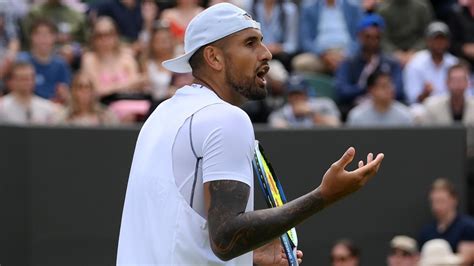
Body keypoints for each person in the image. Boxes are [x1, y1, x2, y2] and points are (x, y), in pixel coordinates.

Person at [117, 3, 384, 265]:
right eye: (249, 43)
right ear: (214, 57)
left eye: (261, 42)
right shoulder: (225, 118)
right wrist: (323, 196)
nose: (266, 53)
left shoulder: (161, 116)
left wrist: (247, 258)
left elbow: (179, 230)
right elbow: (225, 238)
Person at [335, 14, 404, 117]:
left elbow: (398, 91)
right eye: (368, 36)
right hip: (354, 108)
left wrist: (379, 94)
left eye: (377, 37)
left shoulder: (392, 63)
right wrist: (367, 88)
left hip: (386, 107)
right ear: (360, 36)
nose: (372, 40)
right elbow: (342, 91)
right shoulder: (348, 62)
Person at [296, 0, 363, 74]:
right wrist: (323, 54)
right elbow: (305, 40)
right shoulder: (309, 8)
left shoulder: (353, 7)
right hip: (320, 54)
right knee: (300, 63)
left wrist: (346, 55)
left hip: (346, 53)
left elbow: (360, 37)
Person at [17, 18, 72, 104]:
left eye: (47, 34)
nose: (43, 39)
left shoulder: (61, 64)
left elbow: (64, 92)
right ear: (31, 37)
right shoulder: (21, 60)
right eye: (38, 34)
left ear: (54, 37)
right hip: (25, 104)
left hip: (53, 107)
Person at [403, 21, 458, 105]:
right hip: (425, 108)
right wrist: (425, 94)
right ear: (428, 41)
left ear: (448, 42)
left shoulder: (455, 63)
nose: (439, 43)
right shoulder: (415, 62)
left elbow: (467, 94)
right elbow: (412, 99)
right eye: (436, 39)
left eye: (442, 39)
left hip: (451, 109)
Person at [419, 178, 474, 257]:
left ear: (454, 200)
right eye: (434, 201)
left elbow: (466, 259)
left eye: (441, 201)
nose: (437, 206)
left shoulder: (468, 227)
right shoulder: (426, 231)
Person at [269, 75, 341, 128]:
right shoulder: (281, 112)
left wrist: (311, 113)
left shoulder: (324, 104)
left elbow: (335, 124)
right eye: (292, 94)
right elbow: (278, 131)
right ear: (287, 95)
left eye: (299, 93)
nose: (296, 97)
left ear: (306, 92)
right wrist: (293, 115)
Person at [377, 0, 433, 67]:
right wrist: (396, 53)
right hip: (391, 54)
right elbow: (382, 38)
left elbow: (427, 35)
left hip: (418, 53)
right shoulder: (383, 9)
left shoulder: (422, 7)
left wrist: (414, 51)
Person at [346, 70, 413, 126]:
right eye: (383, 86)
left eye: (390, 85)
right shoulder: (357, 116)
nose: (389, 89)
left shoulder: (404, 115)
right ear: (371, 90)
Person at [249, 0, 298, 70]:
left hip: (279, 58)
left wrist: (279, 48)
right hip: (256, 55)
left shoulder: (289, 9)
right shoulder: (251, 6)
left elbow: (292, 45)